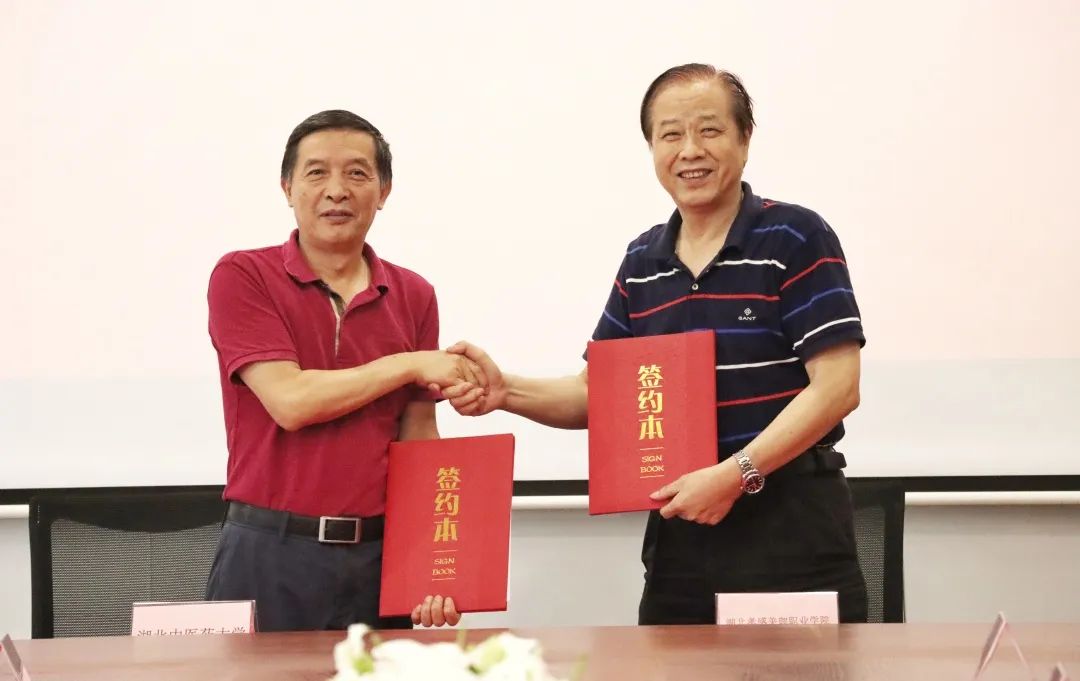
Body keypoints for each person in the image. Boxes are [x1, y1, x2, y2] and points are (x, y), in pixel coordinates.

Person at [443, 64, 869, 624]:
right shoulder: (642, 262)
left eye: (710, 130)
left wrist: (735, 475)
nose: (690, 150)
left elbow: (838, 387)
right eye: (670, 134)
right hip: (682, 536)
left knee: (792, 668)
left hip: (790, 525)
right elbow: (600, 394)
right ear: (652, 149)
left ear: (745, 140)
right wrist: (507, 392)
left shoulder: (795, 235)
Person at [205, 109, 478, 631]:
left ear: (384, 191)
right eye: (316, 173)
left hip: (378, 558)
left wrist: (435, 563)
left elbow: (419, 436)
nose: (337, 190)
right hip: (268, 552)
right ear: (287, 187)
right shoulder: (243, 275)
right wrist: (408, 363)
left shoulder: (414, 294)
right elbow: (291, 402)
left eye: (357, 173)